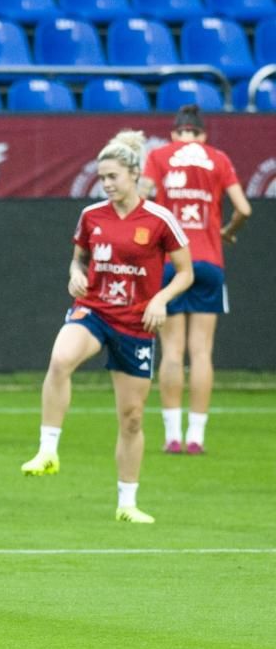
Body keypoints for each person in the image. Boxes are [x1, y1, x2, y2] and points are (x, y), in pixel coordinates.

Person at [20, 130, 193, 524]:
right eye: (102, 178)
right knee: (61, 358)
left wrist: (160, 299)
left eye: (113, 176)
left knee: (131, 417)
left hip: (136, 322)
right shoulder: (91, 216)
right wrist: (74, 274)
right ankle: (48, 449)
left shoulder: (159, 219)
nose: (107, 184)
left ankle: (127, 503)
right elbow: (79, 259)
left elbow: (185, 273)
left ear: (134, 173)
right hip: (94, 310)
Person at [140, 105, 253, 455]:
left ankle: (172, 435)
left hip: (172, 262)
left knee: (172, 351)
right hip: (208, 259)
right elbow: (245, 209)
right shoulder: (218, 158)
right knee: (201, 352)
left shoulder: (159, 156)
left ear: (176, 133)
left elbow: (142, 196)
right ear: (202, 135)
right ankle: (197, 437)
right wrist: (228, 233)